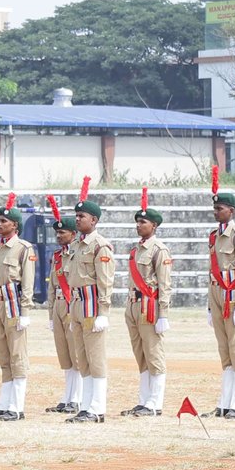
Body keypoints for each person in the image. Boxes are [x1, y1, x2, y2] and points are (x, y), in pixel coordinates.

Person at [0, 194, 35, 421]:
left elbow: (28, 283)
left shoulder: (23, 248)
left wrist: (26, 312)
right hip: (0, 305)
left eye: (4, 221)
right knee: (3, 356)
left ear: (15, 225)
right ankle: (4, 403)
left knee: (16, 355)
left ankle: (17, 406)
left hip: (14, 305)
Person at [66, 177, 115, 425]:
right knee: (81, 358)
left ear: (93, 220)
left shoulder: (100, 246)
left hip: (91, 304)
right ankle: (85, 406)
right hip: (76, 304)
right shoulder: (75, 244)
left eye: (82, 216)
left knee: (95, 358)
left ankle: (97, 408)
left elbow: (105, 281)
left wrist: (103, 312)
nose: (77, 219)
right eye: (76, 216)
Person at [123, 189, 172, 417]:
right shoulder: (135, 250)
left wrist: (164, 314)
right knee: (140, 354)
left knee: (154, 354)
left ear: (154, 226)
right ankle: (143, 400)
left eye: (143, 222)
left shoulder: (158, 250)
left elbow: (164, 284)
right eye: (137, 222)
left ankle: (155, 402)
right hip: (133, 306)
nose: (138, 225)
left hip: (149, 306)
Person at [207, 169, 235, 419]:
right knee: (224, 350)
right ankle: (225, 401)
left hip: (232, 296)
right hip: (216, 295)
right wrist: (208, 306)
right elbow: (210, 271)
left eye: (220, 208)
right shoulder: (214, 236)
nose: (216, 212)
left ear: (231, 211)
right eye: (215, 208)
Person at [44, 197, 84, 414]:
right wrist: (51, 315)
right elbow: (52, 287)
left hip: (73, 305)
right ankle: (67, 396)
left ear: (73, 234)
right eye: (57, 233)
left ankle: (76, 398)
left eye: (63, 233)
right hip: (59, 305)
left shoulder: (77, 254)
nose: (59, 236)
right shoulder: (57, 256)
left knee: (76, 354)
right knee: (64, 355)